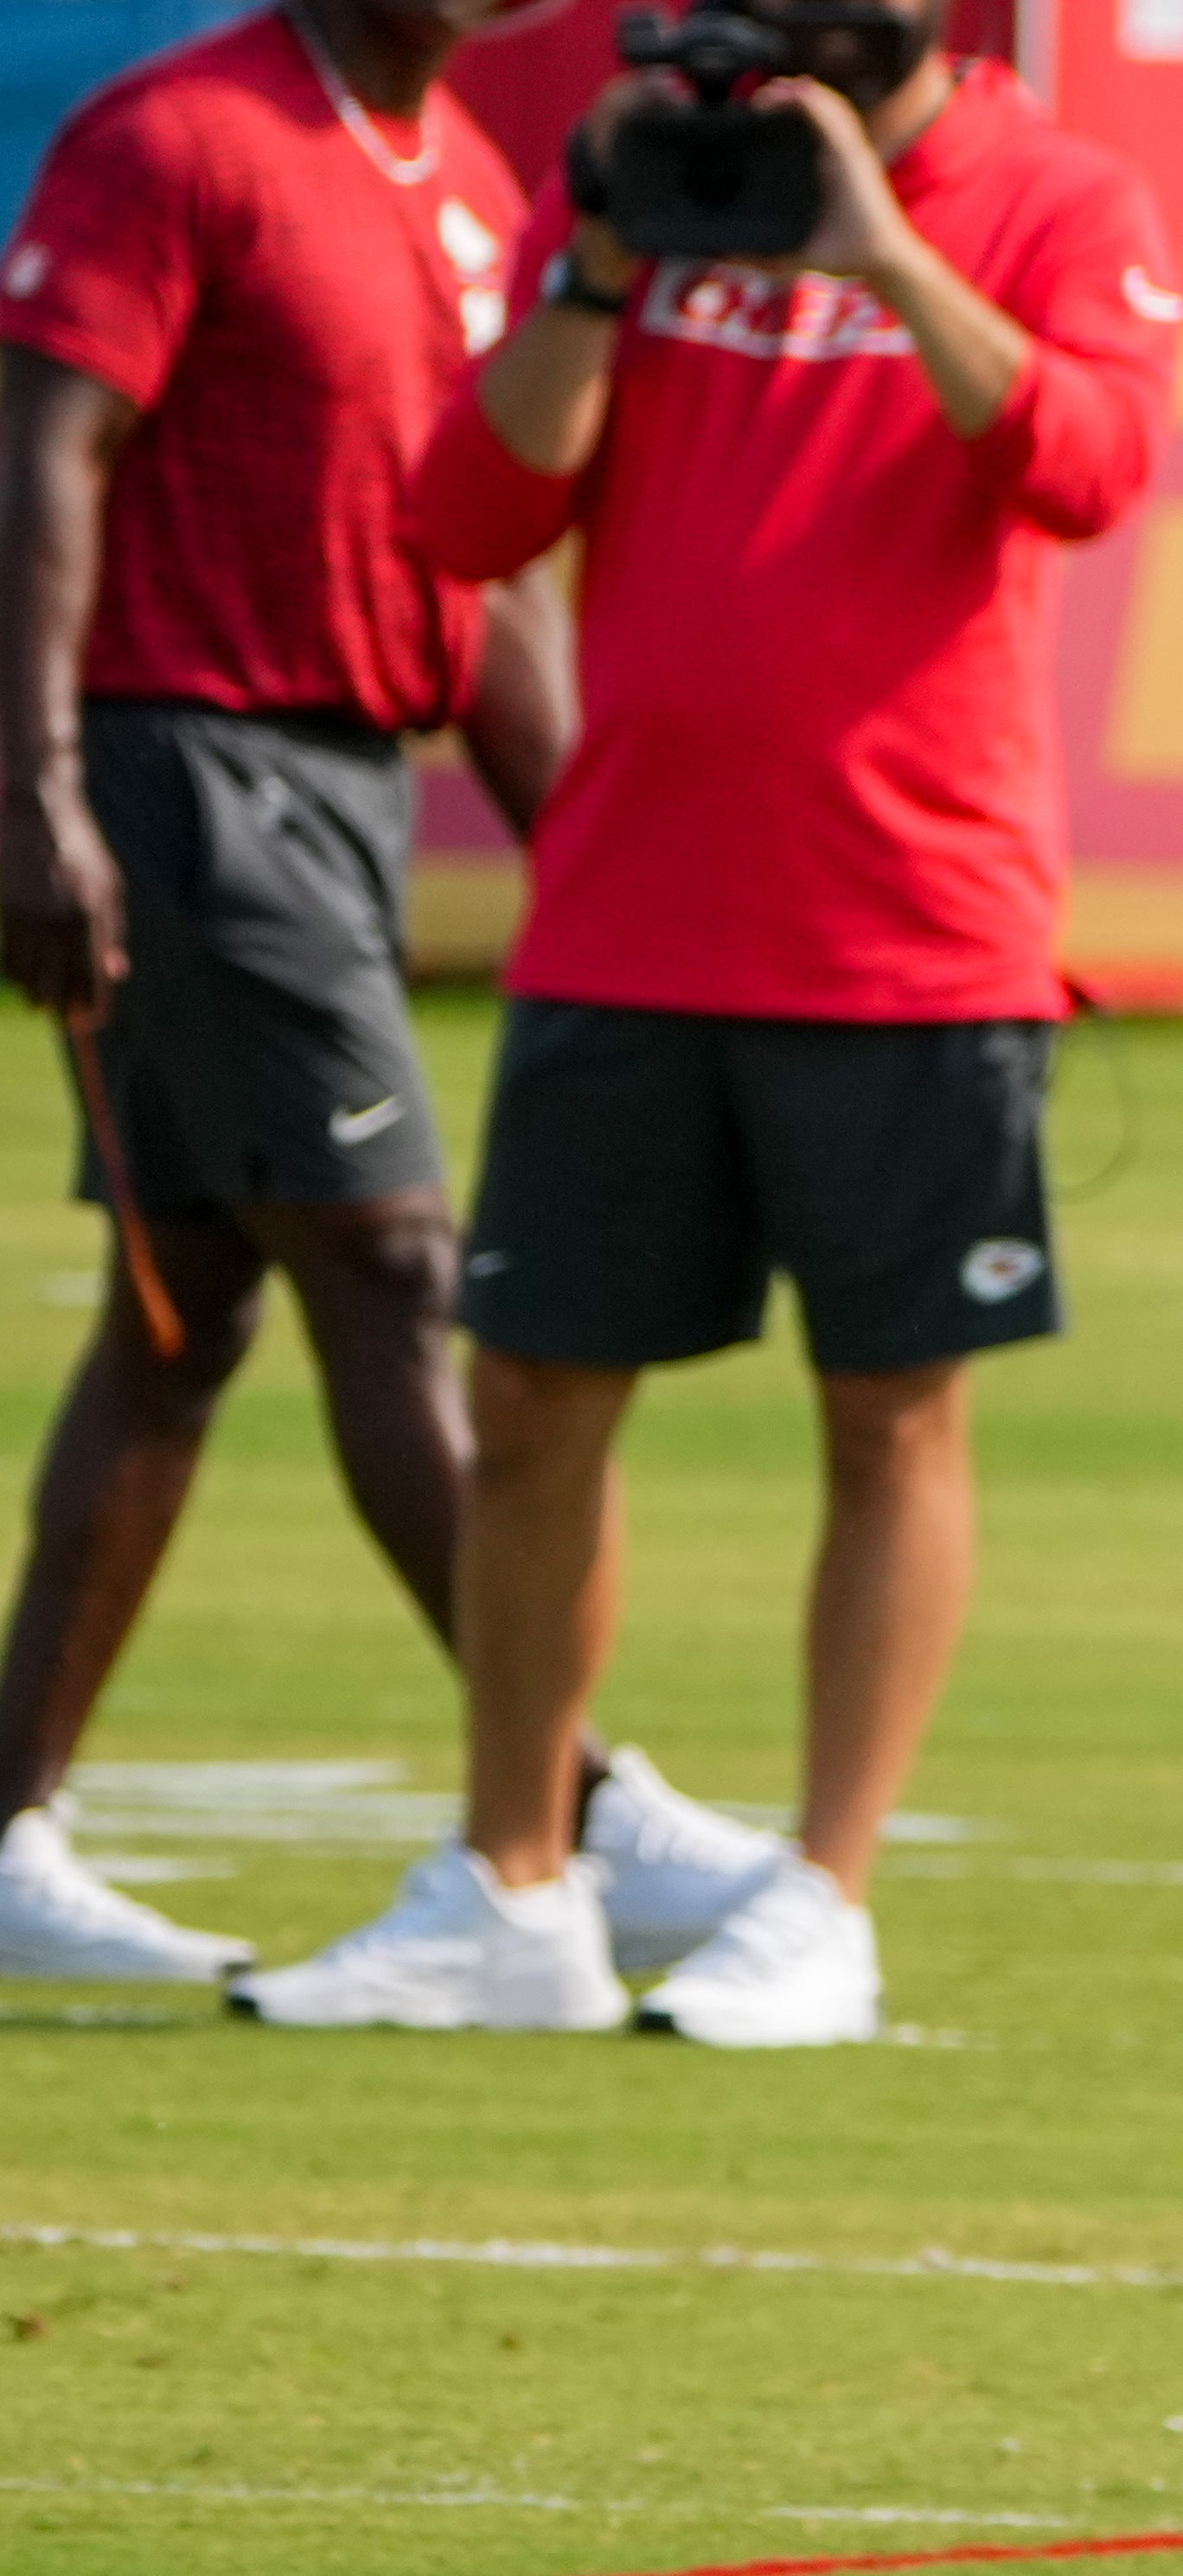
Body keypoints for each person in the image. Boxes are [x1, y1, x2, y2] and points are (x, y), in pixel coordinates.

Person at [230, 0, 1178, 2044]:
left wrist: (882, 254)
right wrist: (591, 268)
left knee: (890, 1407)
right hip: (625, 919)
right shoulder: (653, 190)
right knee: (541, 1396)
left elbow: (1090, 466)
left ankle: (823, 1895)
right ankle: (511, 1888)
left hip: (911, 926)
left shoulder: (1055, 197)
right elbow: (467, 522)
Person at [0, 0, 786, 1988]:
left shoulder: (459, 174)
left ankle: (8, 1827)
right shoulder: (177, 137)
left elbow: (483, 570)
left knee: (180, 1323)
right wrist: (31, 787)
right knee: (393, 1266)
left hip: (336, 778)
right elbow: (44, 451)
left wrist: (603, 844)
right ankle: (580, 1806)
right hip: (191, 765)